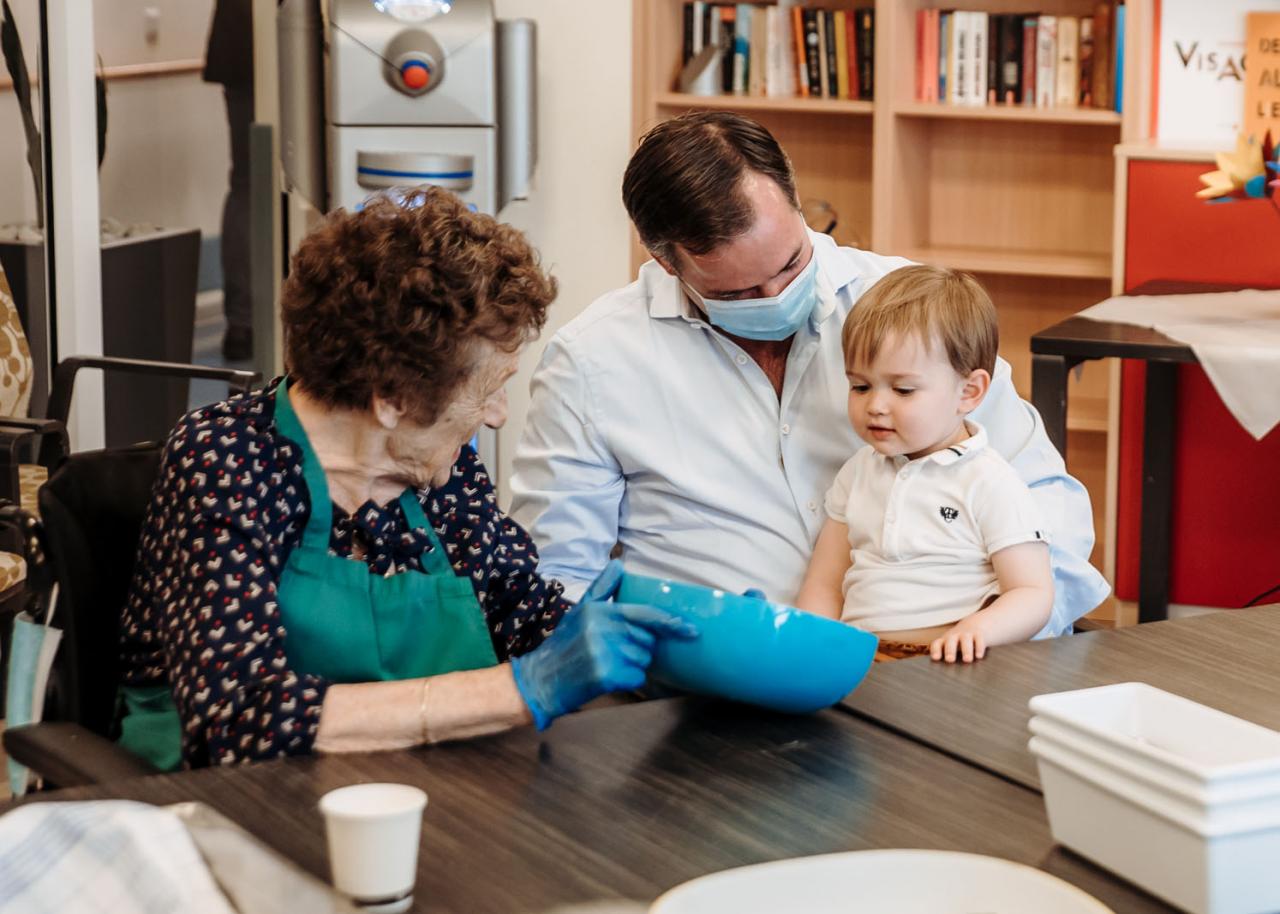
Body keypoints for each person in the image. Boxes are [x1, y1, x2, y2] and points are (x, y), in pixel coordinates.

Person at [118, 188, 697, 769]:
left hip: (416, 780)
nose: (498, 414)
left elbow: (519, 614)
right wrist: (522, 690)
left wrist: (677, 644)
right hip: (231, 800)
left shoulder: (439, 469)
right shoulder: (226, 460)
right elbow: (239, 722)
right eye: (488, 389)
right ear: (393, 398)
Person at [509, 111, 1107, 636]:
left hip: (949, 668)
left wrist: (983, 636)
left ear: (798, 204)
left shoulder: (911, 313)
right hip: (703, 692)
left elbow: (1049, 511)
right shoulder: (592, 362)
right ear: (664, 261)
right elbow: (558, 578)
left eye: (793, 262)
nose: (776, 295)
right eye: (741, 290)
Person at [793, 265, 1054, 663]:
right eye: (860, 386)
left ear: (969, 392)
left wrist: (979, 629)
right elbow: (825, 583)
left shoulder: (989, 480)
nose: (876, 405)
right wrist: (810, 643)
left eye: (903, 389)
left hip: (951, 662)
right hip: (862, 658)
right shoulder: (858, 471)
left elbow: (1032, 593)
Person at [203, 0, 254, 360]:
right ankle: (244, 320)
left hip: (241, 44)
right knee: (250, 185)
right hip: (260, 44)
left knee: (246, 185)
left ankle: (242, 322)